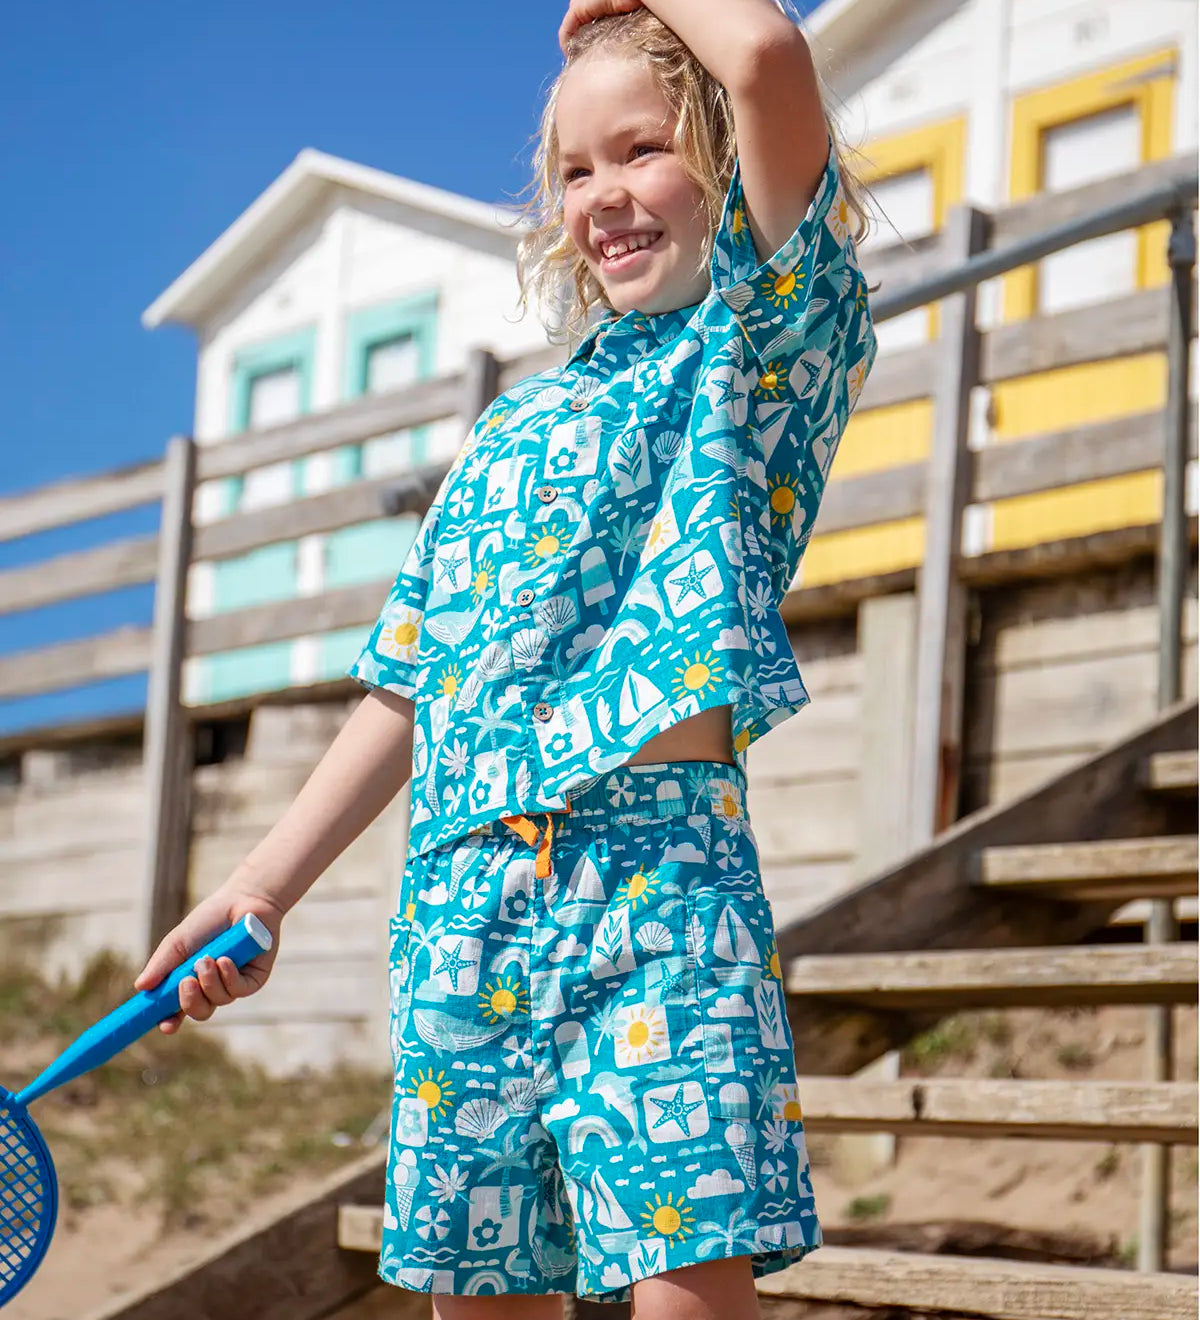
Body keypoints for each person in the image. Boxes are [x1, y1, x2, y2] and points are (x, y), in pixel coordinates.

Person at [134, 2, 876, 1316]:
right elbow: (410, 687)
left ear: (719, 158)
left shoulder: (762, 350)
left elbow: (766, 57)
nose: (604, 196)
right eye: (575, 170)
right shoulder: (510, 430)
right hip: (459, 919)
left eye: (642, 150)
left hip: (660, 900)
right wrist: (260, 888)